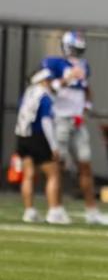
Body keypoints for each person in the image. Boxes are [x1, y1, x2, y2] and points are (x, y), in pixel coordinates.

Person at [41, 30, 108, 225]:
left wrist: (86, 108)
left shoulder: (84, 66)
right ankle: (55, 210)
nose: (77, 53)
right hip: (60, 120)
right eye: (75, 48)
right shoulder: (54, 63)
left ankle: (92, 212)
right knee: (58, 167)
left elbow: (86, 90)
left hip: (77, 121)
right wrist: (67, 79)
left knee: (85, 165)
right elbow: (47, 87)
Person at [16, 68, 71, 224]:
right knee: (53, 174)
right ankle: (54, 211)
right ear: (42, 81)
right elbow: (46, 122)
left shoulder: (27, 94)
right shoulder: (44, 97)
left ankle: (29, 211)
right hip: (39, 137)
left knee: (28, 174)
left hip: (22, 136)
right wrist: (54, 146)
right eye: (47, 80)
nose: (49, 83)